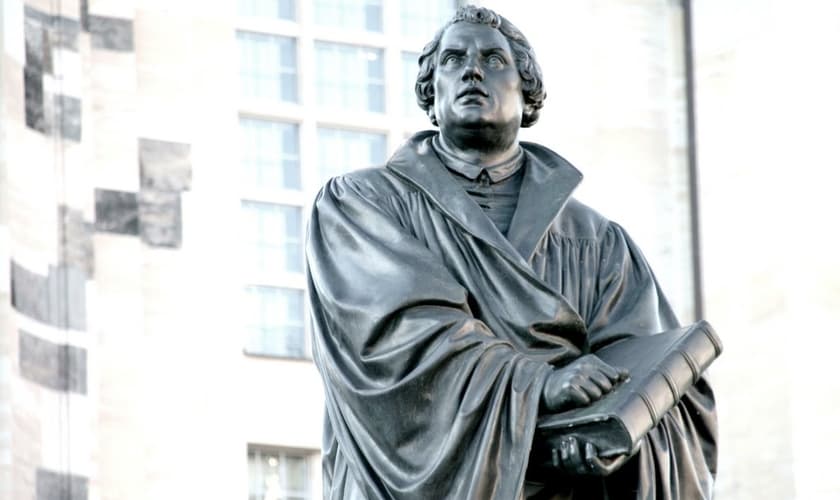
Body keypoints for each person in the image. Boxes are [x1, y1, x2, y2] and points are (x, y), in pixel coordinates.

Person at [306, 5, 717, 499]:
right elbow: (399, 339)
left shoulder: (599, 240)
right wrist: (537, 386)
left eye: (494, 59)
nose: (473, 70)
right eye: (453, 59)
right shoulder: (362, 204)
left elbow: (657, 382)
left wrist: (611, 434)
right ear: (431, 98)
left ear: (528, 97)